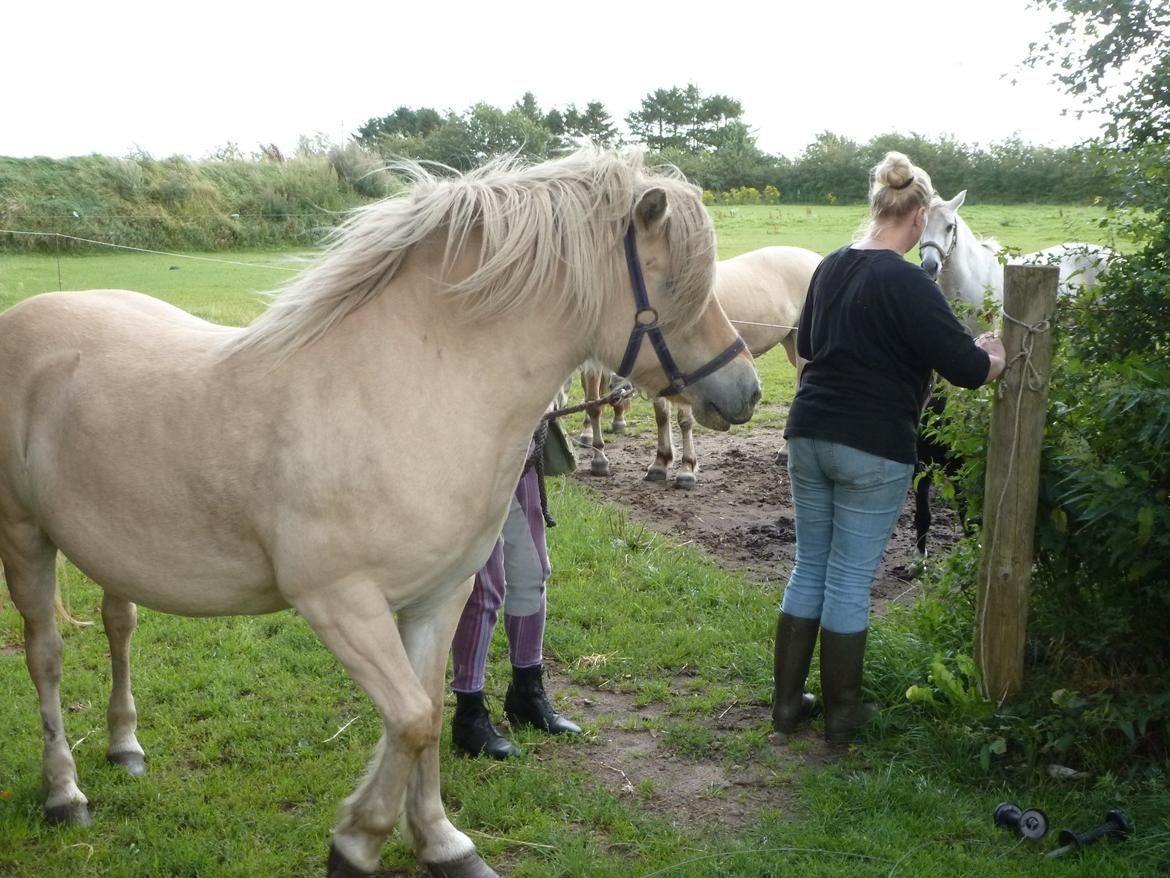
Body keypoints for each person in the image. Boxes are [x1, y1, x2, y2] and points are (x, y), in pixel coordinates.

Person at [772, 152, 1006, 744]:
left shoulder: (828, 267)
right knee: (849, 580)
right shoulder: (909, 281)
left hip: (807, 432)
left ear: (878, 206)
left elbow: (812, 346)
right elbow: (969, 369)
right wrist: (995, 353)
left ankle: (786, 707)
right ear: (921, 213)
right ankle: (843, 718)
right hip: (872, 446)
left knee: (808, 567)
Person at [450, 420, 582, 759]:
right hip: (472, 448)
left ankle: (526, 694)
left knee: (532, 571)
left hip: (521, 443)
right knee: (485, 585)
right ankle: (469, 713)